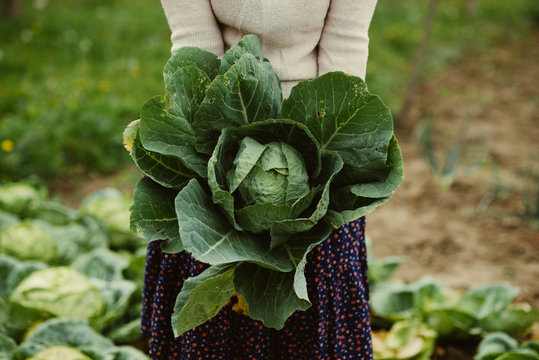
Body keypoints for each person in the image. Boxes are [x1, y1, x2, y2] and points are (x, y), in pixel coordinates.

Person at [141, 1, 378, 359]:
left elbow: (344, 52)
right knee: (211, 280)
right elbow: (197, 52)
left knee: (309, 295)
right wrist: (224, 167)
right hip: (221, 131)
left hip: (318, 135)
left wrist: (309, 176)